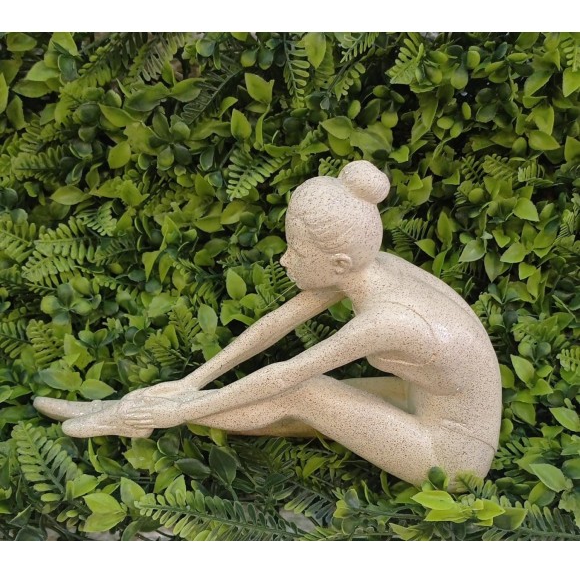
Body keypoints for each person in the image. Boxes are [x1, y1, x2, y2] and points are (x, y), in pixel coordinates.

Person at [34, 160, 502, 487]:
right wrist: (190, 382)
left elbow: (286, 374)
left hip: (453, 456)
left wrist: (178, 409)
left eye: (296, 251)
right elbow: (276, 323)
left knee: (304, 392)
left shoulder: (391, 319)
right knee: (290, 402)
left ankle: (133, 416)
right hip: (418, 401)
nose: (284, 260)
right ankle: (134, 411)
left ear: (338, 262)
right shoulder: (371, 267)